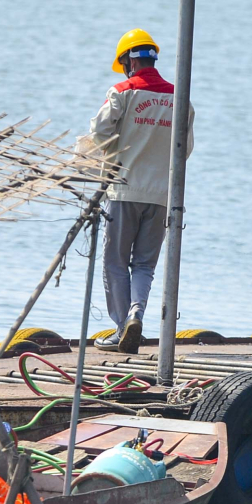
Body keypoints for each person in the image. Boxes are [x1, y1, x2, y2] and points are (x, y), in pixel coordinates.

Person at [83, 27, 195, 354]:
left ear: (128, 61)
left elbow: (99, 132)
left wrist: (120, 148)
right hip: (162, 197)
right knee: (144, 265)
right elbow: (183, 150)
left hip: (123, 191)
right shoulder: (179, 97)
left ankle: (121, 330)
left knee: (115, 262)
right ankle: (137, 314)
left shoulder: (123, 91)